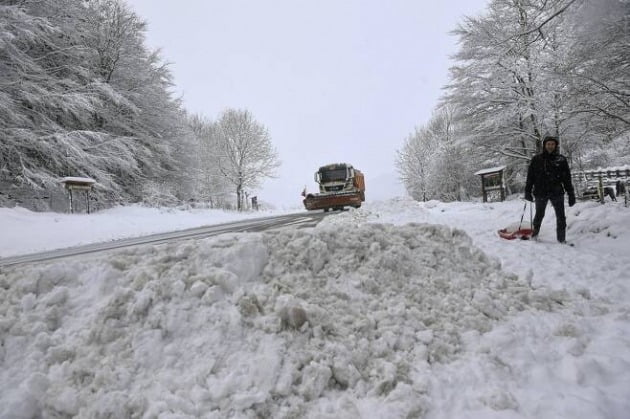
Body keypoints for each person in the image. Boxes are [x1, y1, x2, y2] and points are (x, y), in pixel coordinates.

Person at [524, 135, 576, 243]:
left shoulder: (561, 159)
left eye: (552, 144)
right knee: (539, 215)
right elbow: (530, 177)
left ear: (555, 145)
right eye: (548, 144)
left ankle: (561, 239)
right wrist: (527, 191)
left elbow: (567, 178)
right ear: (544, 145)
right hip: (540, 192)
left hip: (557, 192)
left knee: (561, 216)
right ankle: (534, 236)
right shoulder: (536, 159)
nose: (550, 146)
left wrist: (571, 193)